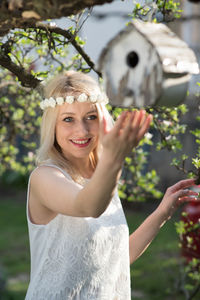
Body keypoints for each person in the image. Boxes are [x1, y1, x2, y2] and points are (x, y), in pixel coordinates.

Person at [25, 70, 198, 300]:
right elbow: (87, 206)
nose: (83, 130)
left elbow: (115, 259)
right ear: (52, 126)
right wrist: (114, 158)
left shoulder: (102, 177)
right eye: (68, 119)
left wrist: (161, 214)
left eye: (91, 117)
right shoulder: (44, 177)